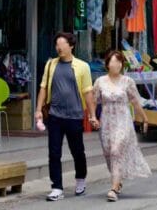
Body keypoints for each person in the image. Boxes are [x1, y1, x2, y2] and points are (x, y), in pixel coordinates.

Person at [35, 32, 97, 202]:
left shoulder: (82, 66)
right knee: (54, 153)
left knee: (77, 151)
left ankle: (80, 179)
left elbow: (88, 92)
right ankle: (56, 187)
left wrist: (92, 115)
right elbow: (43, 88)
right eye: (57, 45)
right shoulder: (50, 65)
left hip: (75, 116)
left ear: (71, 46)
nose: (59, 48)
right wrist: (38, 109)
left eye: (62, 44)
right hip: (55, 116)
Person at [94, 51, 152, 202]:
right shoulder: (100, 81)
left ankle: (113, 189)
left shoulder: (128, 81)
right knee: (109, 152)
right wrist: (92, 117)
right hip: (106, 123)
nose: (117, 65)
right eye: (113, 62)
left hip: (123, 121)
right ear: (107, 64)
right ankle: (117, 180)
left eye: (119, 62)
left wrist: (144, 118)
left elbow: (135, 102)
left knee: (116, 150)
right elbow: (93, 101)